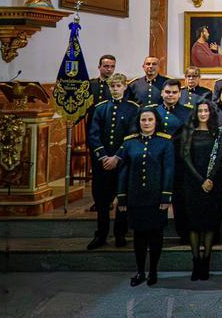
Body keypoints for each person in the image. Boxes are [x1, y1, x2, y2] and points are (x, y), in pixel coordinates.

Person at [116, 108, 174, 287]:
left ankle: (153, 271)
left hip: (156, 198)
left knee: (155, 236)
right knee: (139, 237)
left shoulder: (165, 142)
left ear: (156, 121)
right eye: (143, 120)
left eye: (150, 120)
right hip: (135, 197)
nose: (147, 123)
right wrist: (122, 196)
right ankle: (140, 270)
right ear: (139, 122)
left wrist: (166, 197)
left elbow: (169, 170)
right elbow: (123, 171)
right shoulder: (129, 143)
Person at [86, 73, 138, 250]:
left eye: (118, 86)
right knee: (102, 200)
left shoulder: (133, 109)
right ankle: (101, 234)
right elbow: (93, 134)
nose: (115, 89)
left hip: (122, 162)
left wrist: (117, 157)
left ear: (124, 87)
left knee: (122, 199)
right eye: (112, 86)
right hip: (103, 163)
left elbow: (132, 136)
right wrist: (103, 156)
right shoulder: (100, 108)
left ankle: (120, 234)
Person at [180, 100, 222, 281]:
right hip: (193, 184)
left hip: (212, 184)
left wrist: (210, 179)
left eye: (206, 111)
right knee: (194, 224)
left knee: (208, 224)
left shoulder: (217, 132)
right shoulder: (189, 132)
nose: (203, 114)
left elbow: (221, 156)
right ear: (195, 113)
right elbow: (185, 156)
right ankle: (196, 261)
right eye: (200, 111)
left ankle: (206, 261)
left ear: (210, 113)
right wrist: (201, 180)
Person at [156, 80, 192, 242]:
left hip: (180, 163)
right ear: (162, 93)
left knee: (180, 199)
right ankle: (157, 231)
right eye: (167, 92)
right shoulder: (153, 112)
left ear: (179, 94)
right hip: (157, 163)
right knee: (157, 197)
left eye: (174, 92)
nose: (170, 95)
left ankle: (183, 233)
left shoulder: (188, 113)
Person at [87, 54, 116, 121]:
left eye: (112, 66)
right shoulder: (90, 84)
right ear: (99, 67)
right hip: (93, 122)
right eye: (106, 66)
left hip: (111, 122)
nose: (109, 69)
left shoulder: (118, 86)